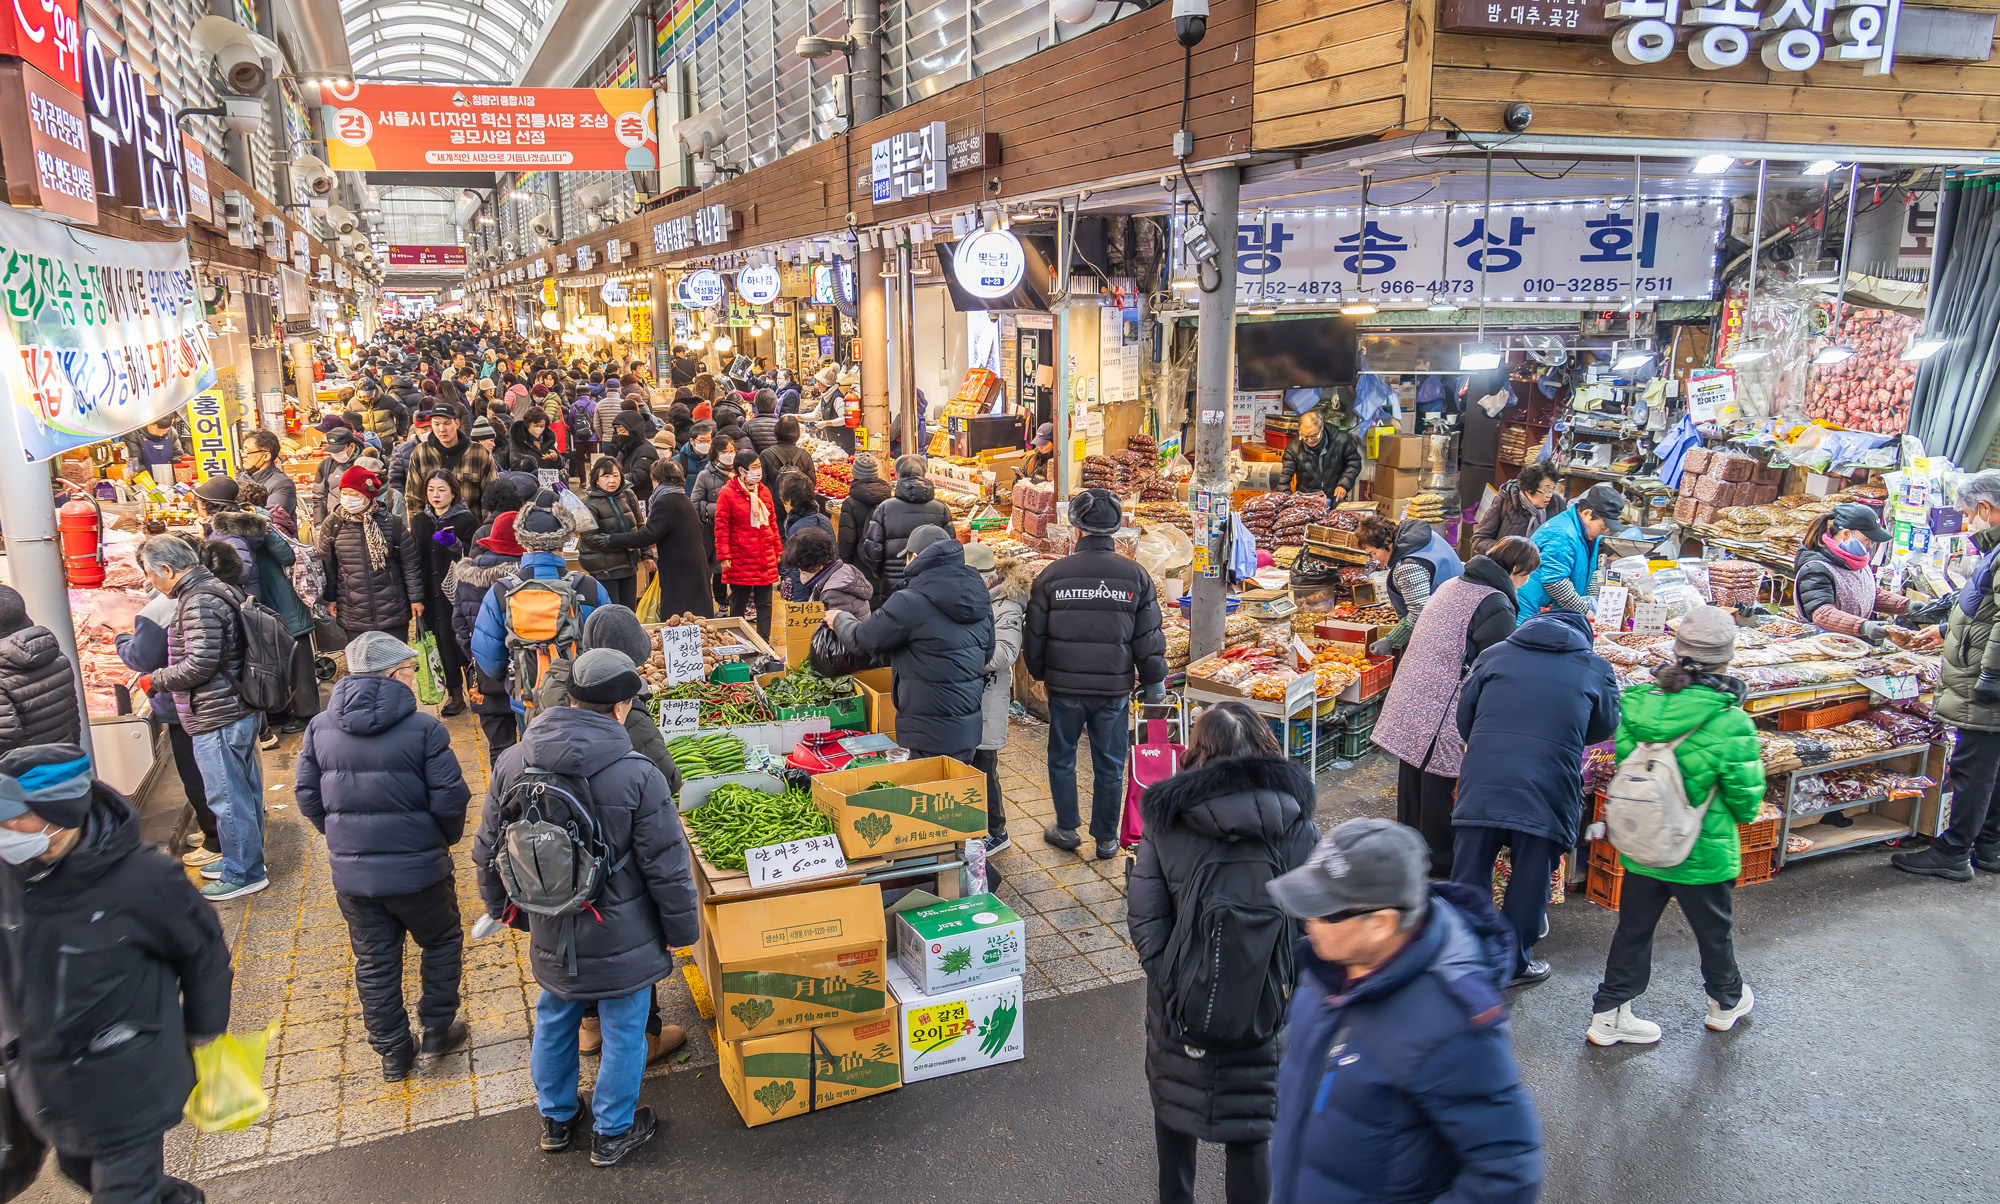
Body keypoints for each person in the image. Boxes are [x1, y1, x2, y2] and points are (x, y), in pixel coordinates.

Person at [472, 648, 698, 1167]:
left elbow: (487, 849)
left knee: (555, 1015)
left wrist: (507, 910)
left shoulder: (513, 760)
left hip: (550, 921)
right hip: (625, 930)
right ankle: (613, 1131)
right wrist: (680, 932)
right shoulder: (638, 773)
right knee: (624, 1026)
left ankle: (555, 1120)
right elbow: (667, 867)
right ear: (621, 707)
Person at [1266, 819, 1544, 1204]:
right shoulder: (1328, 965)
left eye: (1324, 911)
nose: (1307, 920)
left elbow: (1508, 1169)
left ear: (1380, 924)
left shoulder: (1451, 1023)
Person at [0, 745, 232, 1204]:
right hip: (48, 1080)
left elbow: (203, 954)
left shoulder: (145, 879)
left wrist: (205, 1032)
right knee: (80, 1169)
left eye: (19, 816)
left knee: (123, 1192)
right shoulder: (9, 876)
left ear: (62, 812)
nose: (10, 828)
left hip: (128, 1082)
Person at [1128, 701, 1319, 1204]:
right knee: (1251, 1135)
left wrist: (1173, 978)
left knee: (1174, 1116)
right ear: (1263, 745)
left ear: (1198, 749)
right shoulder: (1297, 824)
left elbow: (1145, 917)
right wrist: (1282, 984)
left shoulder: (1168, 820)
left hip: (1179, 1012)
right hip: (1265, 1008)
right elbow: (1313, 925)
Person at [296, 631, 473, 1080]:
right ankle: (437, 1028)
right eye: (411, 670)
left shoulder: (319, 727)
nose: (414, 676)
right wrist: (440, 842)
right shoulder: (425, 729)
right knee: (441, 940)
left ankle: (393, 1051)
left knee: (374, 961)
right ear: (394, 676)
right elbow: (451, 799)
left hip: (355, 879)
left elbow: (307, 796)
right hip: (421, 872)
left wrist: (342, 839)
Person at [1587, 606, 1764, 1045]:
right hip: (1702, 847)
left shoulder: (1642, 706)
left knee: (1633, 930)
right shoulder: (1730, 721)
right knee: (1713, 932)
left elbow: (1626, 762)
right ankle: (1725, 1002)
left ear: (1678, 652)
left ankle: (1608, 1016)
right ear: (1725, 660)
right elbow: (1745, 800)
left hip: (1644, 840)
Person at [1452, 609, 1620, 986]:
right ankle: (1513, 965)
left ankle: (1464, 957)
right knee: (1531, 877)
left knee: (1469, 871)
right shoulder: (1595, 667)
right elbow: (1602, 728)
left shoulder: (1493, 655)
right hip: (1549, 784)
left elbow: (1465, 721)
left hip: (1485, 777)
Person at [1370, 538, 1540, 874]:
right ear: (1516, 569)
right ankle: (1438, 861)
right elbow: (1496, 663)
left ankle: (1408, 850)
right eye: (1527, 574)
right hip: (1441, 702)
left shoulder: (1454, 583)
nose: (1527, 582)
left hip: (1414, 693)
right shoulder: (1494, 602)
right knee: (1437, 784)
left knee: (1413, 774)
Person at [1025, 490, 1170, 859]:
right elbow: (1148, 639)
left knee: (1062, 757)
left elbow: (1034, 634)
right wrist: (1154, 682)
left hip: (1065, 687)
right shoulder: (1135, 576)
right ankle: (1106, 838)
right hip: (1113, 689)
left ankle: (1066, 828)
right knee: (1110, 763)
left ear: (1076, 529)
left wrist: (1039, 672)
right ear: (1116, 529)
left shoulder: (1052, 575)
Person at [139, 534, 269, 901]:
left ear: (168, 569)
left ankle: (244, 872)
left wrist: (156, 679)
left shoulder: (197, 600)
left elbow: (201, 663)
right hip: (231, 706)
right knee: (242, 791)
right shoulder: (212, 587)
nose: (150, 581)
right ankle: (243, 859)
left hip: (218, 711)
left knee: (227, 797)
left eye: (150, 573)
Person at [1894, 471, 2000, 880]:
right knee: (1991, 767)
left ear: (1986, 508)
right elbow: (1984, 609)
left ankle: (1953, 852)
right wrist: (1944, 629)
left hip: (1985, 685)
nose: (1967, 522)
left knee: (1974, 769)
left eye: (1968, 514)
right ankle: (1989, 847)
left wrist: (1992, 676)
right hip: (1984, 677)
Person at [827, 526, 993, 760]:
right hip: (966, 727)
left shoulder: (909, 601)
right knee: (957, 780)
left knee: (927, 782)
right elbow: (987, 653)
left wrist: (840, 619)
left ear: (914, 557)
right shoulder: (979, 594)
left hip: (925, 728)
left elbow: (861, 640)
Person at [471, 492, 613, 728]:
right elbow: (608, 647)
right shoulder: (590, 588)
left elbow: (488, 659)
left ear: (523, 542)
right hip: (581, 698)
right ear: (564, 542)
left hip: (528, 697)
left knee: (533, 748)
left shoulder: (501, 592)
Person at [203, 481, 321, 734]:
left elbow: (285, 555)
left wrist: (265, 530)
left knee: (295, 656)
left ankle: (306, 714)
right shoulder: (242, 525)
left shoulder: (252, 524)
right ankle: (285, 711)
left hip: (280, 597)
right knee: (278, 658)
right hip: (268, 599)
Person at [589, 459, 714, 620]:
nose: (611, 480)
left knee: (679, 616)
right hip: (690, 566)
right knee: (692, 613)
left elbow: (647, 535)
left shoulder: (665, 501)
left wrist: (612, 539)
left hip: (679, 570)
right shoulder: (681, 498)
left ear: (657, 479)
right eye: (606, 476)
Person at [1794, 502, 1932, 644]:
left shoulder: (1855, 560)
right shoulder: (1815, 568)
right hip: (1823, 643)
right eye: (1867, 539)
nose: (1869, 545)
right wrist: (1863, 626)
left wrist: (1906, 605)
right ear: (1846, 534)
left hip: (1852, 643)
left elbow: (1867, 592)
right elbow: (1822, 614)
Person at [967, 541, 1029, 852]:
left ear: (986, 578)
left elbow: (1005, 653)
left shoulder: (1007, 604)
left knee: (984, 764)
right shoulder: (974, 597)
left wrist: (959, 655)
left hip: (988, 696)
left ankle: (997, 831)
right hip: (968, 693)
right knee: (971, 764)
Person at [455, 512, 526, 767]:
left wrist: (476, 658)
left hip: (485, 678)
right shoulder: (527, 578)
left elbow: (459, 625)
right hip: (526, 674)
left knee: (498, 749)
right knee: (530, 749)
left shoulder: (468, 575)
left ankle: (501, 790)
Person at [319, 465, 420, 641]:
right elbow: (329, 566)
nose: (348, 498)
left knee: (396, 657)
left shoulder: (392, 524)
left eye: (354, 494)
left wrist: (416, 598)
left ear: (368, 496)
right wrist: (330, 598)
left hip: (392, 610)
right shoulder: (333, 524)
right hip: (353, 612)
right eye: (344, 493)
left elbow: (410, 564)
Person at [410, 471, 476, 715]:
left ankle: (475, 689)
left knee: (462, 640)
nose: (435, 495)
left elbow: (474, 555)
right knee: (440, 642)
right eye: (431, 490)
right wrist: (415, 595)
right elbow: (414, 559)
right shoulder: (420, 521)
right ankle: (454, 694)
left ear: (453, 492)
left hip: (458, 593)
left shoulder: (466, 520)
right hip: (430, 592)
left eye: (441, 490)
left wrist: (455, 545)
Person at [1356, 515, 1464, 656]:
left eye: (1373, 553)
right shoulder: (1420, 536)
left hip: (1446, 629)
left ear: (1387, 543)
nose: (1374, 559)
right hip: (1460, 610)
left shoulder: (1409, 567)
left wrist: (1390, 641)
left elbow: (1420, 613)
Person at [1516, 482, 1626, 619]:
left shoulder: (1588, 534)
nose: (1603, 532)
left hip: (1554, 611)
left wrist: (1593, 603)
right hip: (1533, 610)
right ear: (1587, 514)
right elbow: (1555, 581)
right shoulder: (1562, 533)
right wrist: (1586, 612)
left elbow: (1590, 571)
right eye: (1603, 527)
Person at [858, 454, 953, 605]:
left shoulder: (885, 508)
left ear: (898, 475)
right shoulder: (941, 509)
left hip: (892, 584)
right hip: (932, 583)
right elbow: (950, 548)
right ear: (923, 474)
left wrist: (882, 573)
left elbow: (872, 550)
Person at [0, 583, 81, 753]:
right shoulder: (54, 655)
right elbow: (72, 719)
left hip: (25, 767)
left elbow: (6, 740)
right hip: (61, 758)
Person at [714, 449, 784, 642]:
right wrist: (724, 555)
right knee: (738, 602)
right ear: (741, 470)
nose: (758, 471)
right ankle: (737, 641)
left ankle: (764, 641)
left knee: (765, 603)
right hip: (740, 557)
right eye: (753, 467)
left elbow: (772, 522)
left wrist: (777, 548)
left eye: (759, 466)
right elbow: (721, 527)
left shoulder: (764, 491)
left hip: (764, 556)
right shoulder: (727, 493)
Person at [409, 404, 498, 524]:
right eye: (436, 424)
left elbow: (491, 497)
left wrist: (484, 530)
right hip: (433, 528)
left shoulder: (479, 453)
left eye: (446, 423)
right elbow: (413, 498)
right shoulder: (420, 453)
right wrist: (418, 529)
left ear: (457, 423)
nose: (442, 429)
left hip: (470, 528)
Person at [581, 456, 646, 610]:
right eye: (606, 476)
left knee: (629, 612)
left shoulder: (628, 495)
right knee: (611, 612)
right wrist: (624, 543)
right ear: (596, 480)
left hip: (629, 566)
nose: (612, 481)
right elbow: (590, 538)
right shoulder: (589, 503)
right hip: (605, 570)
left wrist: (646, 554)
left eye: (615, 475)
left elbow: (640, 526)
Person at [1472, 462, 1565, 556]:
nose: (1549, 495)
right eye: (1545, 490)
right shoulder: (1506, 501)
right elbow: (1479, 539)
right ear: (1528, 491)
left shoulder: (1556, 504)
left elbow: (1564, 541)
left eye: (1552, 489)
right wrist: (1505, 552)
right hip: (1508, 564)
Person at [1277, 410, 1361, 503]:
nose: (1310, 440)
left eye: (1314, 436)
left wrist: (1344, 484)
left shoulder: (1341, 440)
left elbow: (1354, 463)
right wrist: (1290, 501)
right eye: (1305, 436)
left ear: (1322, 428)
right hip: (1306, 501)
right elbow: (1282, 478)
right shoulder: (1293, 447)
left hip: (1335, 497)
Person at [837, 453, 893, 579]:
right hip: (883, 563)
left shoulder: (850, 503)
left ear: (854, 474)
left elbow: (846, 540)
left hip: (860, 564)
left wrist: (844, 563)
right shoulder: (888, 499)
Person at [759, 415, 815, 516]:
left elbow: (762, 484)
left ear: (776, 431)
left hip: (775, 507)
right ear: (797, 434)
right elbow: (811, 482)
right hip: (799, 508)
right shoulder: (804, 455)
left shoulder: (766, 454)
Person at [238, 428, 298, 520]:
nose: (243, 455)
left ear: (266, 456)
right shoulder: (242, 478)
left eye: (248, 452)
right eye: (243, 450)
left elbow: (271, 519)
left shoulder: (282, 484)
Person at [311, 428, 365, 524]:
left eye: (339, 450)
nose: (335, 454)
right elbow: (318, 498)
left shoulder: (365, 464)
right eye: (333, 450)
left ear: (352, 446)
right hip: (334, 522)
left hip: (361, 522)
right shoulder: (325, 466)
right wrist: (319, 525)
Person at [123, 415, 188, 485]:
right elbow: (136, 463)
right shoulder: (134, 434)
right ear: (148, 424)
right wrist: (149, 481)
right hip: (145, 480)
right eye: (157, 430)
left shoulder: (171, 432)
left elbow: (178, 455)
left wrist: (174, 475)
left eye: (165, 431)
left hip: (169, 478)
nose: (160, 434)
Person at [610, 410, 659, 489]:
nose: (620, 435)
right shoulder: (624, 449)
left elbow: (638, 477)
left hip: (639, 494)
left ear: (634, 431)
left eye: (623, 431)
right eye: (618, 432)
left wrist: (613, 481)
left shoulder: (646, 450)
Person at [511, 407, 564, 474]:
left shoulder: (548, 440)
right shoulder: (519, 440)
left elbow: (562, 464)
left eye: (542, 426)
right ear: (528, 425)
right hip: (528, 478)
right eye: (535, 426)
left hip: (548, 478)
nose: (539, 429)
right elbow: (514, 463)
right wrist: (528, 463)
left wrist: (556, 458)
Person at [743, 389, 781, 453]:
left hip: (756, 459)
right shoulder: (782, 425)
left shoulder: (747, 426)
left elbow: (745, 450)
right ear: (775, 406)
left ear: (756, 405)